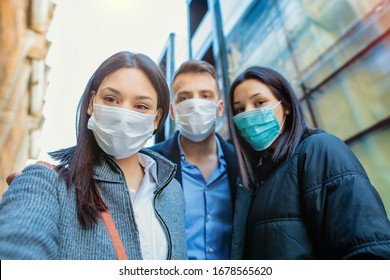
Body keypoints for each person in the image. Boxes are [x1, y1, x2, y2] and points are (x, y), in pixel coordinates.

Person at [0, 51, 188, 260]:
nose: (124, 114)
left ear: (156, 118)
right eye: (111, 99)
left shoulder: (172, 191)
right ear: (91, 103)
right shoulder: (46, 183)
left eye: (141, 106)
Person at [227, 66, 390, 259]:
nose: (248, 114)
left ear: (286, 106)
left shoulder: (320, 149)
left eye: (259, 102)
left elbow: (367, 250)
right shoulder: (255, 179)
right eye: (240, 109)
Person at [150, 60, 243, 260]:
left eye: (205, 96)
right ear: (173, 111)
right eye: (184, 98)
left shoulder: (243, 164)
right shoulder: (149, 163)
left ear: (219, 108)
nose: (195, 104)